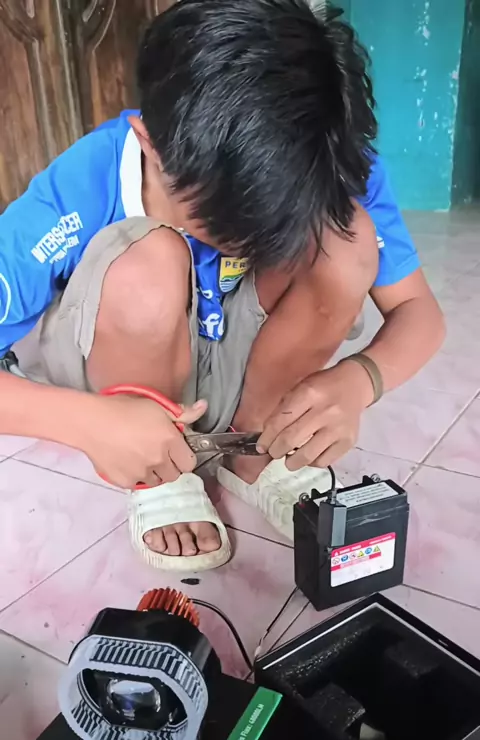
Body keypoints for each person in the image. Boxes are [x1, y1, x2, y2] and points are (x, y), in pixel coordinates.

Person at [0, 0, 444, 571]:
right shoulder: (81, 183)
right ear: (151, 145)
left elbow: (418, 311)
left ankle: (253, 449)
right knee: (146, 262)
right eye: (232, 231)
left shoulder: (325, 155)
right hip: (123, 368)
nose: (254, 248)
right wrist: (85, 422)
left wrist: (361, 379)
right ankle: (161, 475)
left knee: (345, 236)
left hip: (247, 365)